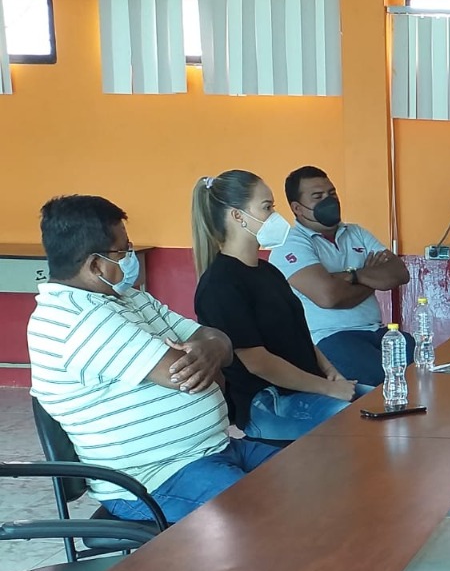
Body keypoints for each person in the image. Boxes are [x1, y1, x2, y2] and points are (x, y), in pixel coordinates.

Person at [27, 195, 280, 523]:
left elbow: (218, 339)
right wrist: (209, 352)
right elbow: (182, 374)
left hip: (214, 450)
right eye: (122, 251)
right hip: (156, 480)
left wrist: (212, 348)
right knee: (273, 517)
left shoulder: (129, 298)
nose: (130, 257)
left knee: (309, 478)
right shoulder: (74, 319)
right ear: (95, 265)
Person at [192, 170, 370, 441]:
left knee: (385, 406)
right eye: (267, 207)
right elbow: (259, 363)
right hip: (267, 401)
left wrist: (331, 374)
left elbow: (299, 334)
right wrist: (327, 388)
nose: (275, 216)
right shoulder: (220, 284)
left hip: (308, 389)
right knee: (359, 427)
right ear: (238, 216)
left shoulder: (269, 272)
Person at [271, 165, 413, 385]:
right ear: (297, 208)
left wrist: (350, 277)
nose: (329, 201)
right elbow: (329, 296)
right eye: (318, 197)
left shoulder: (357, 233)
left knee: (423, 374)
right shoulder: (289, 243)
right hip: (329, 339)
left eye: (332, 193)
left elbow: (400, 273)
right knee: (386, 386)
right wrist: (372, 278)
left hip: (378, 332)